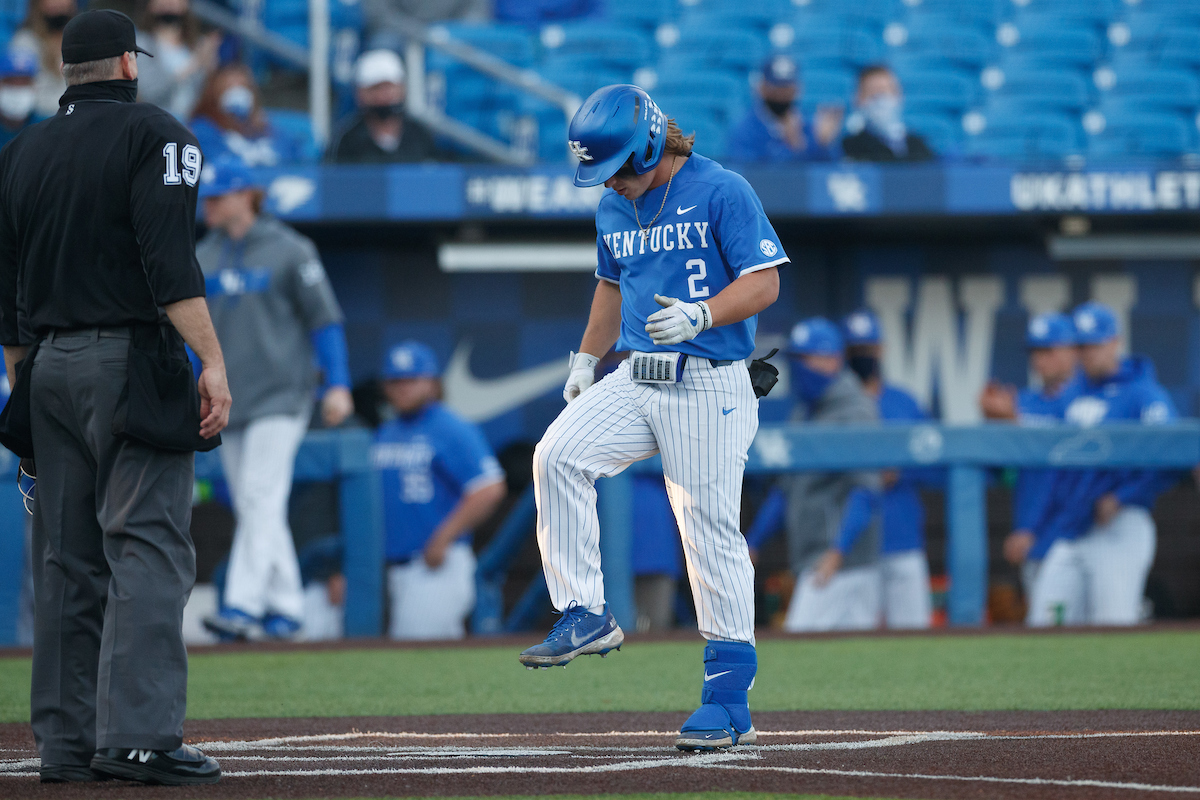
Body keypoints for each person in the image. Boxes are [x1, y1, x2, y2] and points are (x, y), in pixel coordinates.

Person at [519, 84, 788, 753]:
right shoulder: (615, 202)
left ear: (648, 144)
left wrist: (703, 313)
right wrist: (586, 359)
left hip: (710, 381)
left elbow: (765, 282)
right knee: (556, 455)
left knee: (707, 530)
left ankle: (727, 702)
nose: (610, 181)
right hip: (636, 373)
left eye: (617, 166)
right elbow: (611, 287)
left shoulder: (721, 188)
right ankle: (584, 610)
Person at [0, 9, 230, 784]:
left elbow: (5, 294)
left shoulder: (19, 151)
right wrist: (212, 362)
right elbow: (170, 264)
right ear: (130, 66)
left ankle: (65, 747)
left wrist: (22, 382)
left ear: (69, 71)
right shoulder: (158, 136)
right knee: (148, 547)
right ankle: (138, 738)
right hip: (129, 360)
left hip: (46, 368)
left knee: (67, 562)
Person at [196, 156, 354, 641]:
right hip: (230, 399)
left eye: (218, 197)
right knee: (255, 504)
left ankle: (241, 607)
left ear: (247, 195)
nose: (209, 206)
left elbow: (324, 321)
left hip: (282, 396)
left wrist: (338, 384)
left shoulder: (290, 248)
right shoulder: (203, 254)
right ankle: (286, 607)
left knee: (260, 495)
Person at [1026, 302, 1176, 627]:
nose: (1088, 353)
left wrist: (1122, 497)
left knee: (1113, 628)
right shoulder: (1071, 394)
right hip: (1073, 527)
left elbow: (1170, 458)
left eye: (1095, 344)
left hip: (1119, 525)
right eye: (1081, 346)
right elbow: (1052, 458)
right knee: (1045, 622)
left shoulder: (1143, 393)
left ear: (1115, 342)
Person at [745, 319, 882, 632]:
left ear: (832, 359)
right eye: (796, 360)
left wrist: (838, 552)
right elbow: (785, 490)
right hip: (815, 561)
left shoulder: (857, 410)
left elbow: (866, 490)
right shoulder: (804, 412)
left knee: (801, 646)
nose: (799, 368)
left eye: (806, 359)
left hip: (847, 566)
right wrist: (754, 542)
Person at [373, 341, 506, 639]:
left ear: (432, 384)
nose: (403, 388)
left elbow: (489, 488)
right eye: (396, 381)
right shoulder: (385, 431)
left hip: (434, 565)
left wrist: (444, 537)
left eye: (412, 380)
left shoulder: (450, 427)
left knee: (419, 658)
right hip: (389, 567)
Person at [842, 309, 933, 629]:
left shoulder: (904, 402)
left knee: (914, 637)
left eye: (868, 349)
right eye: (856, 350)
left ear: (881, 349)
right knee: (855, 641)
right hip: (853, 545)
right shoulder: (835, 404)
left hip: (902, 536)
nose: (863, 356)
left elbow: (935, 467)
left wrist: (902, 470)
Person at [980, 311, 1081, 597]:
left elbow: (1065, 462)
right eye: (1035, 351)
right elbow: (1002, 473)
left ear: (1072, 351)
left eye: (1048, 350)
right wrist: (994, 425)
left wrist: (1015, 424)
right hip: (1033, 537)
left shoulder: (1084, 399)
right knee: (1048, 628)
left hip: (1077, 534)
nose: (1039, 360)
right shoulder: (1023, 402)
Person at [326, 49, 438, 164]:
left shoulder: (420, 134)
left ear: (402, 88)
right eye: (375, 88)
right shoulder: (346, 139)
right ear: (360, 93)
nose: (383, 96)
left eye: (389, 87)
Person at [726, 54, 842, 163]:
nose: (781, 97)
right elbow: (751, 172)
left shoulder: (807, 125)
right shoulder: (746, 129)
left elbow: (827, 172)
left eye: (787, 91)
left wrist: (823, 145)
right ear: (762, 88)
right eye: (776, 90)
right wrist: (791, 148)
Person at [190, 63, 306, 166]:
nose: (238, 93)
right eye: (229, 87)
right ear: (214, 94)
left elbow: (294, 160)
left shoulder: (266, 128)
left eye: (243, 86)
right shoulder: (202, 129)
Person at [135, 0, 221, 119]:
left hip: (187, 124)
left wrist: (208, 69)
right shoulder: (141, 43)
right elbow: (148, 94)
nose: (169, 3)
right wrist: (192, 66)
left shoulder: (197, 45)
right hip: (153, 120)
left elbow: (201, 99)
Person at [841, 65, 935, 163]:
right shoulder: (850, 147)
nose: (881, 100)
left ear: (899, 95)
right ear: (859, 100)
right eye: (873, 93)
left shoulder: (918, 145)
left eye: (886, 90)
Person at [8, 0, 75, 118]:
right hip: (39, 119)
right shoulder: (25, 41)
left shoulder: (80, 40)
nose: (59, 3)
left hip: (74, 117)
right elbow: (21, 93)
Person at [0, 50, 40, 149]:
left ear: (34, 87)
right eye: (10, 82)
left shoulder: (45, 128)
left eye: (24, 83)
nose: (17, 89)